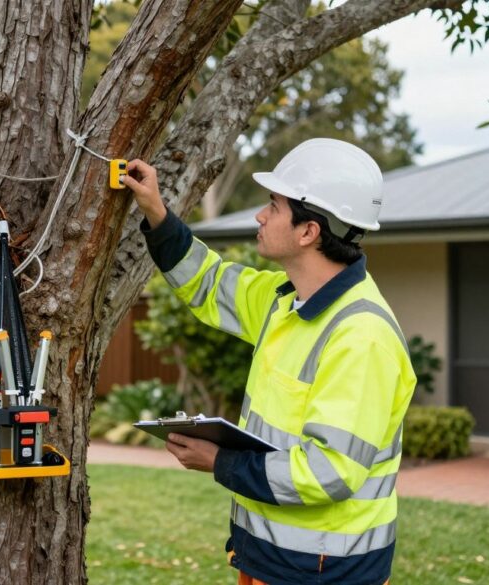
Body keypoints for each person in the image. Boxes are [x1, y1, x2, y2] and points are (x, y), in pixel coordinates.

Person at [122, 138, 416, 585]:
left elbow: (329, 473)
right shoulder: (286, 302)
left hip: (324, 573)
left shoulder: (361, 337)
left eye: (274, 206)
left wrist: (220, 462)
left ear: (308, 232)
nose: (260, 215)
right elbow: (208, 282)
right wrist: (157, 213)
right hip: (271, 559)